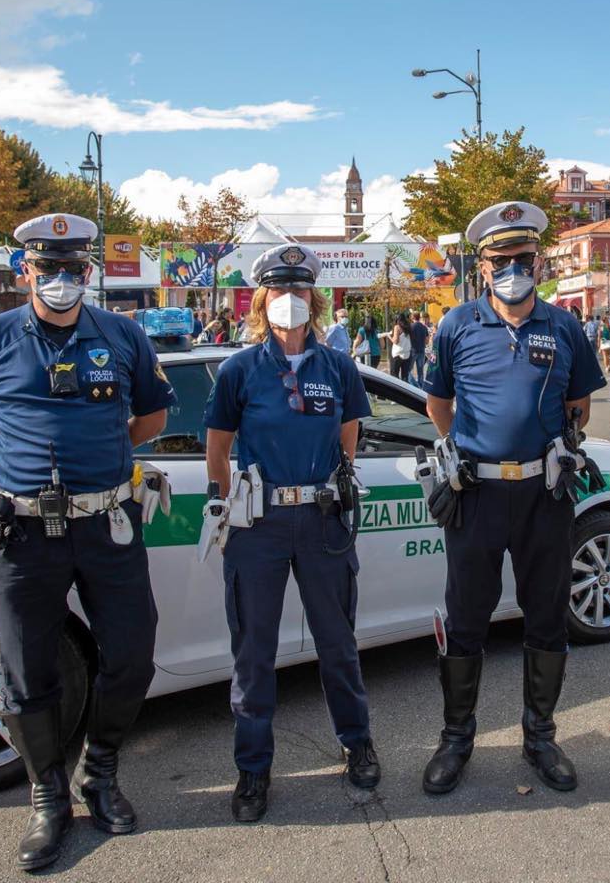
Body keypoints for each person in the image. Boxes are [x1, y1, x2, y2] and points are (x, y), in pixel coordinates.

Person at [0, 213, 176, 871]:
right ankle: (48, 800)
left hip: (107, 524)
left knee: (132, 655)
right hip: (21, 532)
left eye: (73, 269)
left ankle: (99, 774)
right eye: (48, 269)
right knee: (26, 672)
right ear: (24, 272)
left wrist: (105, 448)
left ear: (88, 273)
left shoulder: (121, 335)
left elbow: (152, 412)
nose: (61, 281)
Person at [421, 201, 606, 795]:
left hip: (542, 493)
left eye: (522, 258)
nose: (513, 268)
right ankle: (456, 739)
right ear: (482, 265)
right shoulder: (456, 325)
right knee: (467, 617)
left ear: (538, 260)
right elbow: (439, 405)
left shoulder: (564, 325)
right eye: (501, 259)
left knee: (547, 616)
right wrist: (468, 449)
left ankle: (540, 737)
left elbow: (579, 406)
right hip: (475, 494)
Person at [203, 243, 379, 823]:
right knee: (253, 654)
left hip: (324, 519)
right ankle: (253, 768)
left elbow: (349, 430)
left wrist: (339, 478)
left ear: (315, 301)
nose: (290, 301)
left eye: (300, 292)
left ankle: (357, 745)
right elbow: (218, 448)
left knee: (339, 645)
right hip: (260, 525)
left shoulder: (339, 367)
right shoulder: (239, 371)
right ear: (261, 300)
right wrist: (231, 497)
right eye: (279, 291)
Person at [388, 311, 413, 382]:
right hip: (407, 354)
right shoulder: (408, 327)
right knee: (405, 376)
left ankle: (395, 391)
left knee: (394, 375)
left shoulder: (397, 327)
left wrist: (389, 336)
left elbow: (396, 341)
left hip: (397, 354)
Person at [409, 311, 430, 387]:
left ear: (413, 317)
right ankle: (421, 385)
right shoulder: (424, 327)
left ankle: (414, 384)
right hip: (421, 350)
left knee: (408, 370)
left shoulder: (410, 327)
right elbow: (427, 341)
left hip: (413, 350)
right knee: (420, 371)